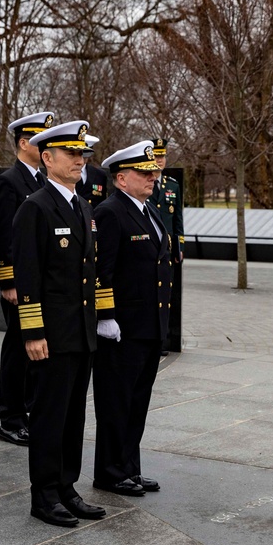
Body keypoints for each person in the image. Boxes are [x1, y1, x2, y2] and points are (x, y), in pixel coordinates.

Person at [13, 120, 101, 527]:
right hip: (50, 334)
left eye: (82, 153)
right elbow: (28, 275)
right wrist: (33, 331)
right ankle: (44, 495)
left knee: (73, 417)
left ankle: (67, 487)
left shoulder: (81, 205)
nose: (80, 160)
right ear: (47, 158)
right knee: (49, 418)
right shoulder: (35, 206)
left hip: (79, 332)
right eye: (71, 153)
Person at [92, 141, 172, 497]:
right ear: (122, 178)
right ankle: (109, 472)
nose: (152, 177)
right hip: (122, 328)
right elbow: (101, 271)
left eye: (152, 171)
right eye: (144, 172)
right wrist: (106, 316)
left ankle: (129, 468)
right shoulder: (110, 212)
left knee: (137, 402)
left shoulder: (148, 210)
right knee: (116, 403)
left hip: (148, 325)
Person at [0, 111, 55, 447]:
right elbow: (4, 236)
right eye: (40, 139)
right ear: (24, 142)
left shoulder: (43, 181)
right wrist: (8, 281)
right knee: (17, 348)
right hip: (19, 284)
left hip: (40, 283)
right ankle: (10, 418)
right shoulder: (9, 181)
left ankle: (27, 413)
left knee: (34, 351)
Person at [149, 138, 184, 355]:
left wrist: (180, 246)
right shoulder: (144, 182)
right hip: (150, 246)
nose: (159, 160)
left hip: (168, 249)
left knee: (166, 295)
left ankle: (163, 340)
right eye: (155, 156)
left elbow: (177, 219)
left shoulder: (172, 185)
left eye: (162, 156)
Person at [75, 134, 109, 208]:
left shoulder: (100, 175)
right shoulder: (63, 173)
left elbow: (102, 203)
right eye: (79, 154)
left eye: (85, 155)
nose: (81, 159)